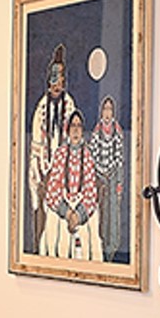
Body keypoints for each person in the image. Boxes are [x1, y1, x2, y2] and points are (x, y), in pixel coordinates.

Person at [26, 44, 80, 247]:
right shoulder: (41, 108)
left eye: (61, 79)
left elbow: (72, 139)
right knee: (41, 210)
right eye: (54, 79)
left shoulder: (69, 106)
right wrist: (39, 169)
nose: (57, 84)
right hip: (43, 168)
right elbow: (36, 143)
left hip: (63, 169)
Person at [44, 107, 100, 259]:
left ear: (82, 131)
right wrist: (67, 212)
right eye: (73, 126)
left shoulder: (87, 155)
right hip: (63, 205)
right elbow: (52, 189)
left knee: (88, 242)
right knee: (58, 241)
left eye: (79, 126)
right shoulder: (60, 154)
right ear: (68, 130)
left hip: (82, 206)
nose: (76, 130)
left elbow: (91, 190)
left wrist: (78, 215)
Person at [92, 95, 128, 263]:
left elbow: (120, 158)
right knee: (102, 214)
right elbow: (93, 155)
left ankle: (112, 247)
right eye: (105, 109)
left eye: (110, 109)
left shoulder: (117, 130)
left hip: (113, 176)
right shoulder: (97, 131)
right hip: (100, 177)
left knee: (113, 214)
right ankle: (101, 246)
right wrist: (98, 174)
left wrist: (119, 181)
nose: (107, 113)